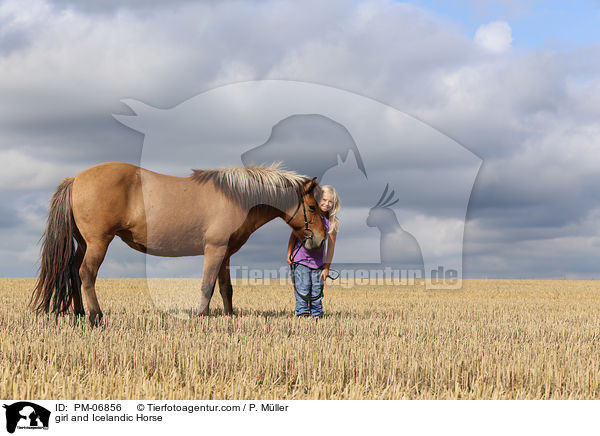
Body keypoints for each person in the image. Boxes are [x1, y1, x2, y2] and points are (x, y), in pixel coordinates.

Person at [287, 185, 339, 318]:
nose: (326, 204)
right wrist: (289, 253)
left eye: (330, 201)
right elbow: (294, 234)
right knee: (302, 290)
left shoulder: (331, 223)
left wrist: (327, 267)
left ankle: (317, 317)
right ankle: (302, 316)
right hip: (301, 260)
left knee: (317, 293)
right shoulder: (307, 215)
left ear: (334, 204)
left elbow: (331, 247)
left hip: (318, 264)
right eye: (324, 200)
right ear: (318, 199)